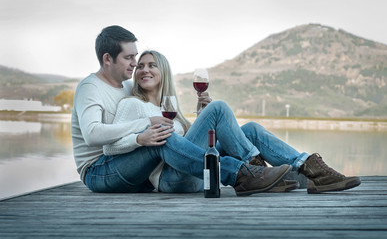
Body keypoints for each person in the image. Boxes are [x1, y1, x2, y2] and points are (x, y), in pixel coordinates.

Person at [71, 25, 292, 197]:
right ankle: (241, 172)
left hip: (141, 166)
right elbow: (93, 135)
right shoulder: (91, 87)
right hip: (98, 170)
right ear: (107, 58)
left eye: (138, 60)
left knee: (249, 130)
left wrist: (201, 117)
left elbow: (175, 134)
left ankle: (300, 171)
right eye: (129, 59)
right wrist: (145, 128)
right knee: (163, 132)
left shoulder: (129, 87)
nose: (136, 66)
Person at [102, 50, 361, 195]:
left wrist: (201, 116)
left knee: (250, 129)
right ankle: (255, 169)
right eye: (140, 66)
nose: (144, 70)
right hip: (171, 180)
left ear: (163, 72)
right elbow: (111, 147)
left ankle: (307, 166)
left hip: (195, 172)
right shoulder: (132, 104)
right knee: (220, 107)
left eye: (152, 65)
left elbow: (188, 147)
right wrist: (140, 139)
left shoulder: (169, 108)